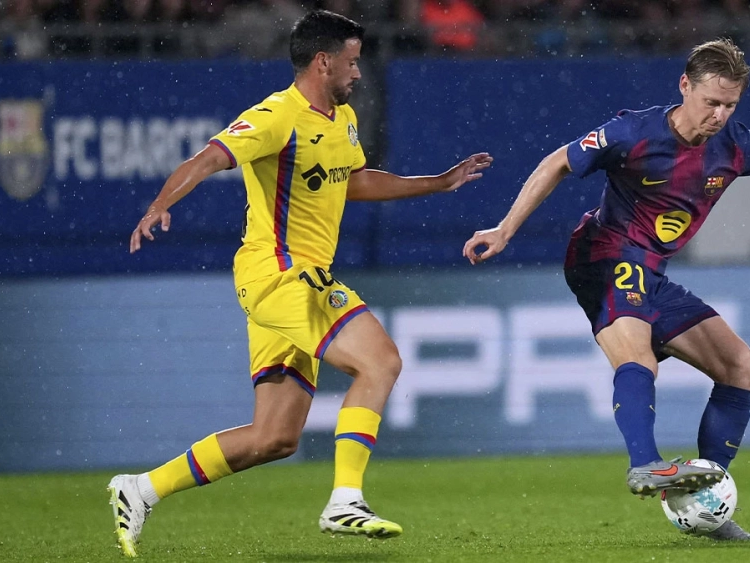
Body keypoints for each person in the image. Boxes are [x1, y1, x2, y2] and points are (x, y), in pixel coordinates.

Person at [462, 38, 750, 541]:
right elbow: (557, 162)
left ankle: (705, 504)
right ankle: (645, 465)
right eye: (712, 102)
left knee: (741, 367)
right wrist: (505, 229)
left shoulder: (736, 145)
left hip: (649, 272)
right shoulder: (632, 132)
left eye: (731, 105)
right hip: (604, 255)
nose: (720, 114)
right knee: (636, 360)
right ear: (685, 86)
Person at [111, 9, 492, 558]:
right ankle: (344, 499)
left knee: (275, 438)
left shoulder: (342, 120)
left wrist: (435, 183)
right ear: (323, 61)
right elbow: (210, 157)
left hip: (295, 283)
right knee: (380, 362)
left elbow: (353, 182)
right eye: (352, 62)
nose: (359, 74)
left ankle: (140, 489)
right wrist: (158, 205)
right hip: (282, 274)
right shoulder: (275, 116)